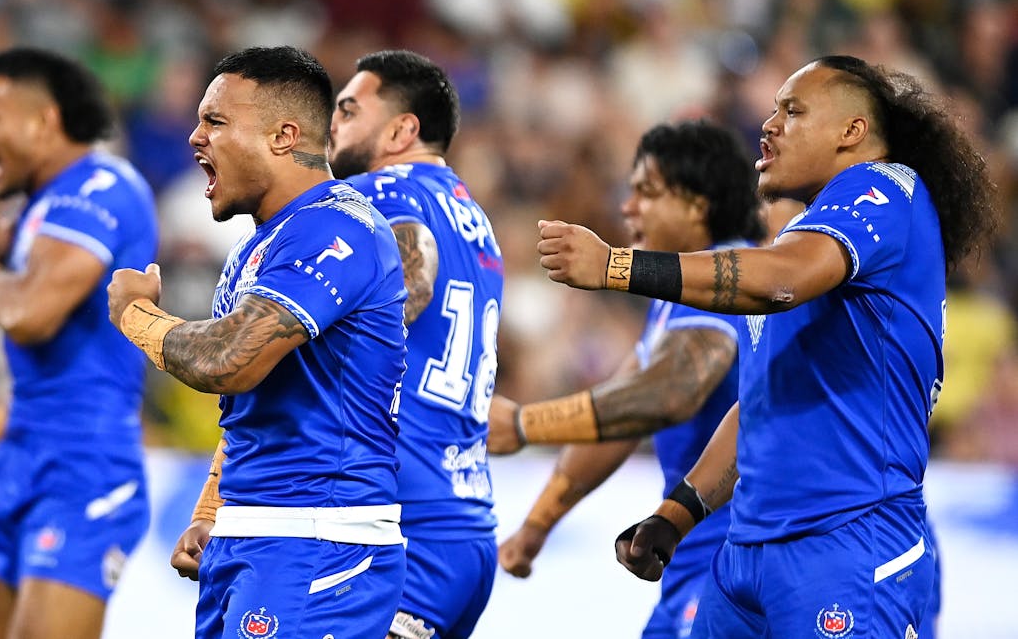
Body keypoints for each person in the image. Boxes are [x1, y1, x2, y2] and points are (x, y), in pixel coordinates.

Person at [536, 55, 996, 637]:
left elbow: (781, 280)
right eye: (773, 108)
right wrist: (675, 517)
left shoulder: (886, 190)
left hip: (847, 545)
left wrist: (615, 264)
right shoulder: (802, 236)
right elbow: (762, 403)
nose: (769, 124)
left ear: (851, 133)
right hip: (746, 555)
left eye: (793, 110)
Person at [106, 45, 408, 639]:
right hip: (261, 538)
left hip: (319, 541)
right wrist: (214, 509)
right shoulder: (263, 244)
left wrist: (135, 315)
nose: (194, 138)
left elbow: (228, 361)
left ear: (283, 136)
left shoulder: (335, 225)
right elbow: (260, 400)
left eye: (214, 121)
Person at [0, 47, 158, 639]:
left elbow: (30, 316)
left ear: (43, 121)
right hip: (21, 464)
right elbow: (50, 377)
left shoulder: (99, 186)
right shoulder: (42, 210)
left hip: (83, 470)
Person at [488, 120, 764, 638]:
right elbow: (623, 411)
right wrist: (538, 523)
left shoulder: (732, 283)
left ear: (697, 204)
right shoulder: (679, 296)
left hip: (736, 570)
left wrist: (527, 424)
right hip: (692, 566)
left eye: (647, 192)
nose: (628, 206)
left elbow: (668, 394)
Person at [327, 49, 502, 639]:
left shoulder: (383, 189)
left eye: (350, 109)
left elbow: (413, 270)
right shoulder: (471, 213)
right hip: (466, 523)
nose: (334, 122)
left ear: (403, 129)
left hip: (404, 527)